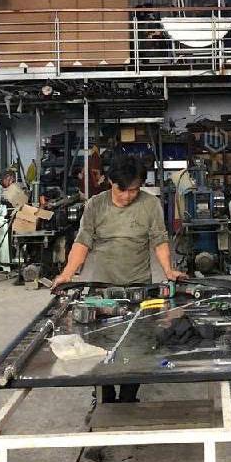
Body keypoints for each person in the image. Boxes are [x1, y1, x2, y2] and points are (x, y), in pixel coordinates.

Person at [52, 154, 185, 403]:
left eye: (134, 190)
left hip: (138, 288)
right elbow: (82, 242)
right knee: (99, 345)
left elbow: (159, 239)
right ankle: (104, 396)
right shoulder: (96, 205)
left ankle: (128, 398)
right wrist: (67, 274)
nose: (127, 196)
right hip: (102, 291)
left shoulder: (150, 204)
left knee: (137, 346)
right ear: (110, 183)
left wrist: (169, 271)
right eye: (121, 190)